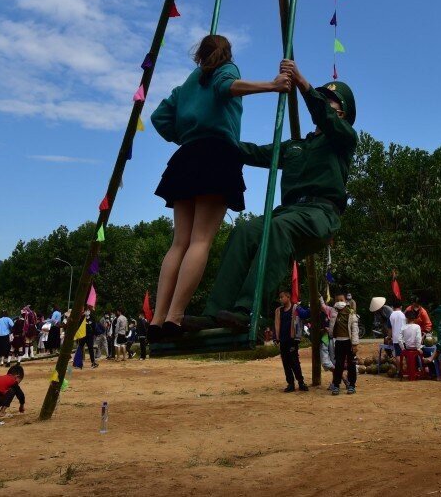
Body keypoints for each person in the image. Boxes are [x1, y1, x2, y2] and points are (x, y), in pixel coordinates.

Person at [149, 34, 289, 339]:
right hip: (216, 154)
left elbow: (159, 117)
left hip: (186, 157)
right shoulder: (226, 70)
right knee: (200, 241)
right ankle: (174, 317)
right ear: (226, 53)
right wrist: (272, 85)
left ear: (199, 54)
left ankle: (156, 320)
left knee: (179, 242)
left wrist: (186, 132)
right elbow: (229, 88)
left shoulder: (189, 83)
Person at [206, 61, 358, 329]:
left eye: (329, 101)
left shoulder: (343, 139)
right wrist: (215, 140)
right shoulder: (295, 146)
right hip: (288, 212)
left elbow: (324, 114)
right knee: (245, 230)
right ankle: (213, 312)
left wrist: (300, 81)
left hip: (320, 213)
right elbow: (253, 152)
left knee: (277, 229)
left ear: (341, 114)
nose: (322, 102)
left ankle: (248, 310)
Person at [272, 291, 310, 393]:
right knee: (286, 363)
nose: (280, 299)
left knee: (294, 362)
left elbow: (305, 314)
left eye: (282, 297)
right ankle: (290, 384)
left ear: (288, 297)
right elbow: (275, 325)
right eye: (279, 297)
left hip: (292, 341)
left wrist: (312, 306)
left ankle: (301, 383)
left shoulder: (296, 308)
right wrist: (275, 338)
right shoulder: (278, 311)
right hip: (283, 341)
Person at [320, 296, 359, 395]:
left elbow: (354, 329)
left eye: (341, 300)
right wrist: (320, 297)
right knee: (338, 365)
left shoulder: (351, 313)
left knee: (351, 364)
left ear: (345, 301)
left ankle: (351, 385)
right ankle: (336, 385)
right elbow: (324, 307)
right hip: (338, 342)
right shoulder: (333, 312)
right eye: (337, 300)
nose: (339, 302)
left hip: (349, 342)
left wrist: (354, 344)